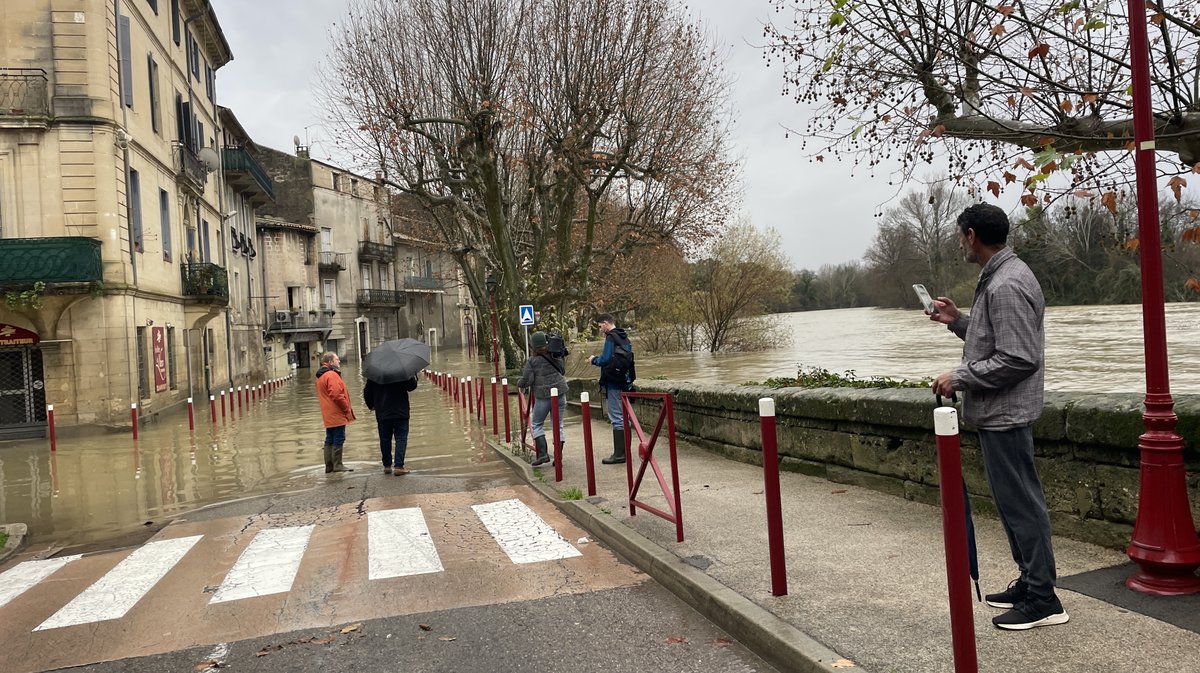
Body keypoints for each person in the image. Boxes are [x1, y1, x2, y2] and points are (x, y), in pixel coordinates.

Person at [927, 203, 1067, 631]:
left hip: (1006, 414)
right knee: (1013, 505)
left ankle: (1043, 598)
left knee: (1022, 506)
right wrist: (957, 321)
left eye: (960, 236)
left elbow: (1018, 357)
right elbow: (995, 339)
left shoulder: (1005, 283)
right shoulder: (1003, 276)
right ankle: (1031, 582)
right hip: (999, 413)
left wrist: (961, 376)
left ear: (971, 236)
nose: (960, 244)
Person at [588, 313, 635, 465]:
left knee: (616, 416)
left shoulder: (610, 338)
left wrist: (594, 360)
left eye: (600, 325)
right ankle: (626, 452)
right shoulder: (624, 336)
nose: (600, 329)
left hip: (614, 382)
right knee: (625, 416)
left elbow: (606, 359)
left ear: (606, 323)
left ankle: (619, 455)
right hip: (625, 381)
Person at [516, 331, 567, 467]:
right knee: (558, 425)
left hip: (544, 396)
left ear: (533, 346)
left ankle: (543, 454)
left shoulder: (532, 361)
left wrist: (519, 383)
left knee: (537, 423)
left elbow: (527, 380)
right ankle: (558, 457)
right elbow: (563, 371)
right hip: (560, 393)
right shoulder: (555, 355)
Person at [364, 376, 419, 475]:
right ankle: (399, 466)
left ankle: (387, 466)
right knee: (401, 439)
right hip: (400, 412)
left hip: (383, 412)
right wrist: (413, 376)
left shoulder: (375, 373)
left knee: (385, 439)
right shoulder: (401, 371)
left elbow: (367, 392)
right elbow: (411, 387)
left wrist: (371, 405)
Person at [315, 352, 356, 474]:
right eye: (337, 360)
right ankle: (338, 464)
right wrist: (346, 408)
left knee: (330, 439)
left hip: (328, 413)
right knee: (339, 438)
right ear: (330, 362)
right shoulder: (331, 375)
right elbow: (337, 395)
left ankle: (329, 466)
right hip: (336, 412)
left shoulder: (321, 376)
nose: (339, 362)